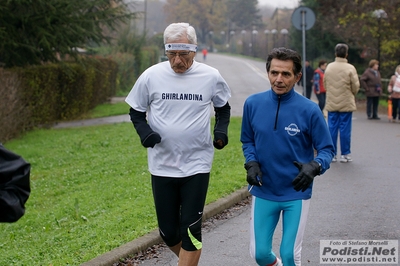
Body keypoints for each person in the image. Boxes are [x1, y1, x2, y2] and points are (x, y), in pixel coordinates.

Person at [125, 22, 231, 266]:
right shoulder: (151, 75)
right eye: (171, 54)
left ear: (194, 50)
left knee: (191, 231)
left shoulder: (210, 76)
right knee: (168, 232)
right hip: (162, 164)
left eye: (183, 54)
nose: (177, 61)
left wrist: (221, 132)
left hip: (197, 164)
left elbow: (223, 108)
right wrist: (145, 134)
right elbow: (136, 111)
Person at [241, 47, 334, 266]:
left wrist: (315, 166)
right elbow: (248, 140)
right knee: (260, 254)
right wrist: (251, 162)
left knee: (290, 253)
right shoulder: (253, 104)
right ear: (268, 72)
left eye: (286, 74)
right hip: (264, 189)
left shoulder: (310, 110)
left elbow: (327, 150)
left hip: (296, 191)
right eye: (274, 73)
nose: (279, 79)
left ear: (297, 77)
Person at [324, 43, 360, 163]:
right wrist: (351, 94)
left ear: (335, 53)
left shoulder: (329, 67)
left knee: (331, 128)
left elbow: (325, 84)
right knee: (345, 129)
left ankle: (332, 154)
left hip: (332, 102)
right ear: (346, 54)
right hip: (346, 102)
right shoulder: (350, 68)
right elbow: (355, 86)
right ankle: (345, 154)